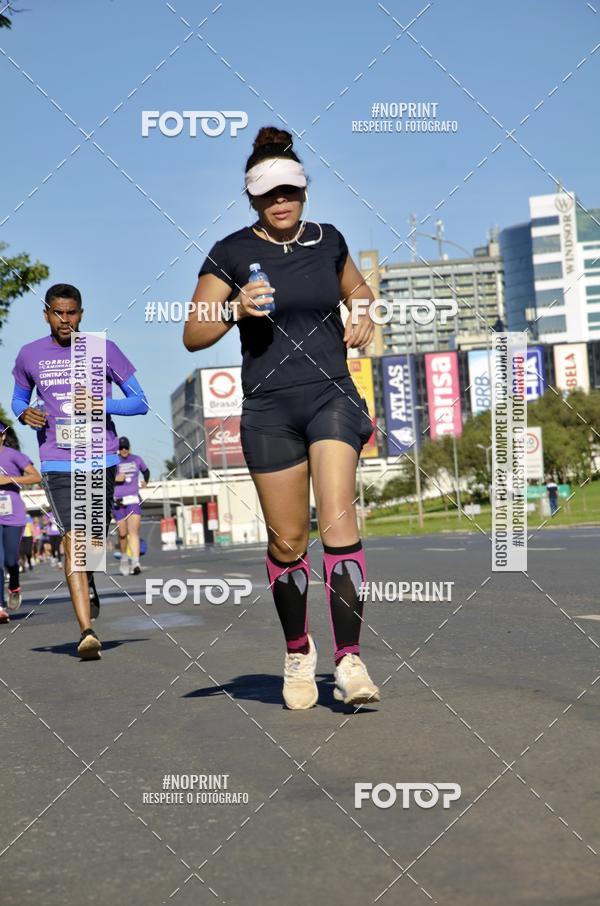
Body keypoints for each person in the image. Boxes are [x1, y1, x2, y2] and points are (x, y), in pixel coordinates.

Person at [184, 126, 380, 709]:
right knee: (289, 540)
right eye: (269, 194)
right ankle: (298, 652)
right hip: (269, 408)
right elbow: (193, 333)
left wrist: (364, 314)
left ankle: (350, 660)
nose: (281, 201)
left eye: (290, 190)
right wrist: (233, 308)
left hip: (331, 396)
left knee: (338, 520)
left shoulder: (329, 240)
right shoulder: (230, 252)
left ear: (304, 189)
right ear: (252, 198)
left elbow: (361, 291)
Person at [11, 283, 149, 659]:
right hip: (56, 460)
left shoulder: (103, 350)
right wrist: (24, 413)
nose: (65, 320)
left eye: (71, 312)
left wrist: (101, 403)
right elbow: (18, 399)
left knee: (91, 544)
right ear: (46, 315)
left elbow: (140, 403)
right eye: (58, 313)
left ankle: (88, 579)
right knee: (73, 539)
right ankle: (87, 631)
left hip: (100, 458)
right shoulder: (29, 354)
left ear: (81, 314)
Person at [0, 422, 42, 621]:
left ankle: (14, 586)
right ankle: (0, 606)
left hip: (13, 514)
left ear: (3, 436)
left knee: (10, 560)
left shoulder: (13, 455)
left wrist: (10, 479)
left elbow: (36, 476)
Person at [112, 436, 149, 576]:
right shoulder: (113, 461)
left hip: (133, 499)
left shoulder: (136, 459)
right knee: (122, 534)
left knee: (134, 532)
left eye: (126, 447)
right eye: (121, 448)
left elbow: (146, 471)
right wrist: (115, 478)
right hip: (118, 502)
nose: (124, 450)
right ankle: (124, 559)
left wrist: (146, 481)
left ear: (129, 448)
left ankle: (135, 563)